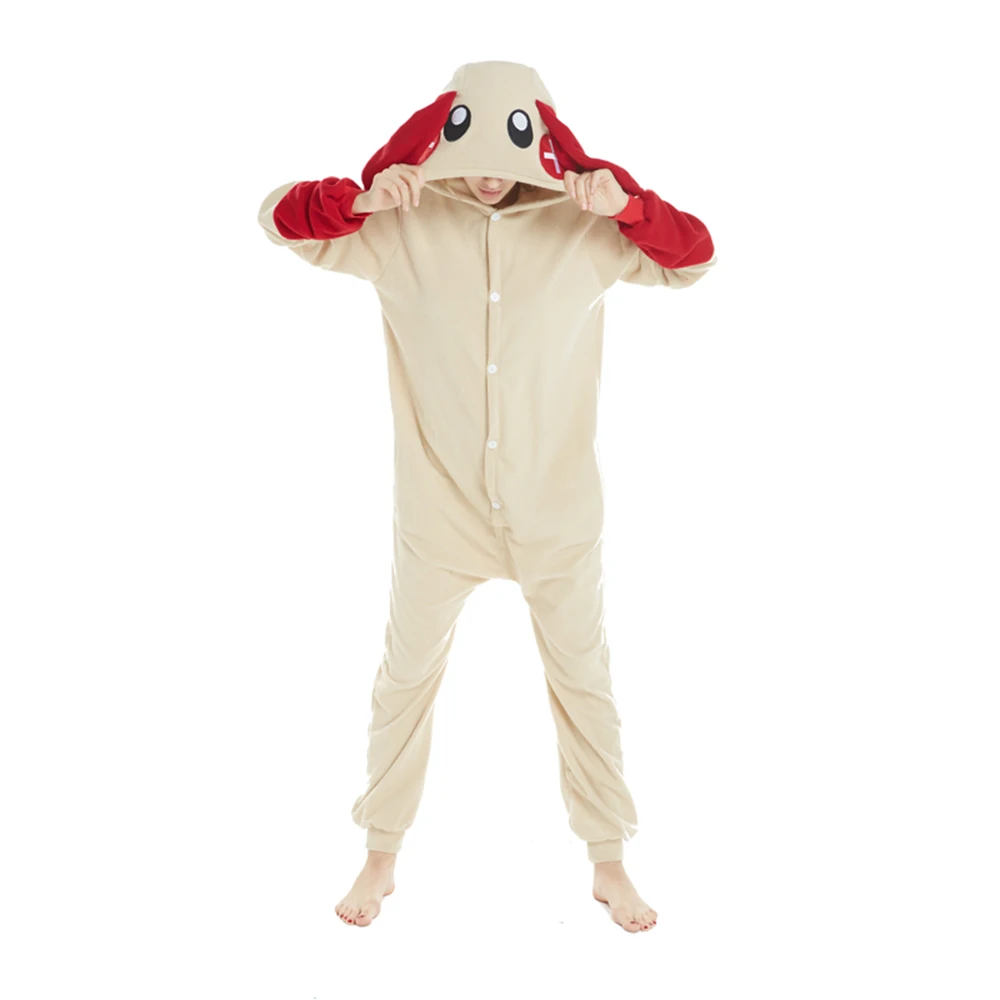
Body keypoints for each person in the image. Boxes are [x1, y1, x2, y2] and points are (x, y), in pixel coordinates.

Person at [257, 60, 717, 933]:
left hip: (557, 511)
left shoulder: (586, 230)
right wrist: (361, 197)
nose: (489, 173)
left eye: (509, 148)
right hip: (440, 513)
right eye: (470, 149)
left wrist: (627, 206)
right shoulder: (398, 227)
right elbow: (277, 217)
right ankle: (381, 853)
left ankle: (609, 861)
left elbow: (695, 257)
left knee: (584, 680)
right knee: (405, 677)